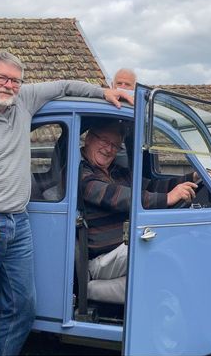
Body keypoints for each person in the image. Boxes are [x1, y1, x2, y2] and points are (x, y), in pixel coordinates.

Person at [0, 51, 133, 356]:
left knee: (24, 309)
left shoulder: (22, 101)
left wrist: (103, 92)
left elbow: (65, 86)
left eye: (15, 80)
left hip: (18, 222)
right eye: (2, 78)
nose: (9, 86)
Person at [79, 121, 198, 303]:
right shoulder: (79, 171)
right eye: (104, 141)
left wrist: (193, 178)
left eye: (115, 145)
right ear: (88, 139)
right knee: (159, 255)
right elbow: (114, 195)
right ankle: (89, 292)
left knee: (177, 245)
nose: (109, 149)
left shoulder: (117, 172)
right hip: (103, 257)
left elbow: (150, 186)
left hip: (125, 245)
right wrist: (166, 198)